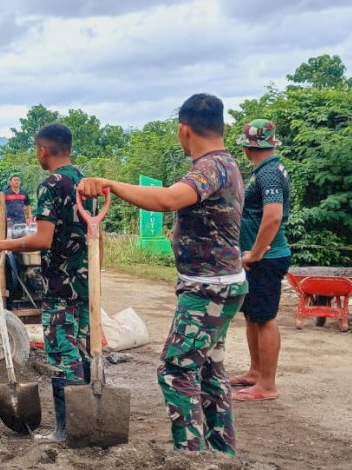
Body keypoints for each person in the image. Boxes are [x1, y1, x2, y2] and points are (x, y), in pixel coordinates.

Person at [77, 93, 247, 455]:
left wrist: (112, 185)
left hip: (208, 289)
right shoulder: (226, 163)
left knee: (175, 370)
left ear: (183, 130)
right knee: (208, 368)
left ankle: (192, 455)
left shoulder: (209, 167)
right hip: (220, 284)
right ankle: (222, 452)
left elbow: (169, 199)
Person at [0, 123, 89, 442]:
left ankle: (66, 430)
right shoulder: (86, 182)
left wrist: (1, 244)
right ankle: (87, 420)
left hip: (61, 285)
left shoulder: (51, 185)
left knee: (62, 354)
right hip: (84, 284)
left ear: (43, 150)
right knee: (82, 350)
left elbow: (42, 238)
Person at [230, 119, 291, 402]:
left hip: (266, 257)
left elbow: (274, 215)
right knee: (253, 316)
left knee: (265, 318)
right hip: (258, 257)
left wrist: (256, 252)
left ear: (248, 148)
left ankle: (267, 385)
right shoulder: (266, 171)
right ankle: (256, 373)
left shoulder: (268, 175)